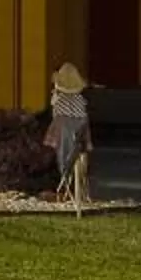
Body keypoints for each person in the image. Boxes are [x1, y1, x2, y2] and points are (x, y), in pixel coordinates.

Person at [48, 61, 93, 206]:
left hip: (65, 132)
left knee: (61, 152)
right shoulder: (81, 100)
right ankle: (74, 185)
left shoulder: (59, 100)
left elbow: (56, 116)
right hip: (80, 133)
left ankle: (65, 178)